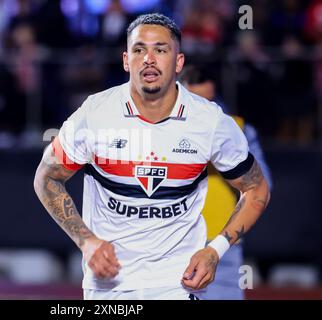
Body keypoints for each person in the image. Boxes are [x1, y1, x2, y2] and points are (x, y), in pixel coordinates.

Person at [33, 13, 270, 300]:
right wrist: (86, 242)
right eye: (139, 49)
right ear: (125, 60)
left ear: (178, 62)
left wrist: (215, 250)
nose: (149, 58)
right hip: (108, 291)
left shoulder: (209, 121)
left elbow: (256, 188)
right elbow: (46, 178)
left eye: (160, 49)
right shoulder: (94, 114)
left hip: (178, 287)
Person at [180, 65, 273, 299]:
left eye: (209, 101)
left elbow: (263, 186)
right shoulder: (157, 129)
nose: (202, 109)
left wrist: (225, 154)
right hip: (172, 241)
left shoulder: (237, 131)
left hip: (221, 243)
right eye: (195, 101)